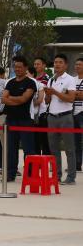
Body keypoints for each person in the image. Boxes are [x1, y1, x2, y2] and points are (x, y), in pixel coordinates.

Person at [1, 55, 37, 182]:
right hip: (10, 120)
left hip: (25, 120)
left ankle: (30, 175)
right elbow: (3, 99)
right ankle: (10, 174)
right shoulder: (10, 82)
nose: (17, 69)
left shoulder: (31, 82)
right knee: (10, 149)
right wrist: (16, 100)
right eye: (15, 67)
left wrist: (11, 99)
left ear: (26, 68)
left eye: (20, 67)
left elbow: (24, 99)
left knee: (28, 149)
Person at [44, 53, 77, 185]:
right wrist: (48, 95)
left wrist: (55, 92)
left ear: (66, 65)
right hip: (52, 117)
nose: (57, 64)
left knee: (69, 148)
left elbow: (71, 99)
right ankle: (57, 176)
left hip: (65, 116)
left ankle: (71, 177)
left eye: (60, 62)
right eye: (55, 62)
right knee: (54, 149)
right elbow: (47, 101)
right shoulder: (51, 79)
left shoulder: (70, 79)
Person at [31, 56, 51, 155]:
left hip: (43, 112)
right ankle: (37, 162)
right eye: (34, 64)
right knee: (35, 140)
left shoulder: (48, 79)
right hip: (33, 113)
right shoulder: (32, 79)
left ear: (44, 65)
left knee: (44, 139)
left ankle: (47, 162)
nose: (36, 66)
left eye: (38, 64)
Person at [73, 57, 83, 172]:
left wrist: (73, 94)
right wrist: (77, 94)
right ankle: (77, 164)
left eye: (79, 64)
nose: (77, 66)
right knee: (75, 140)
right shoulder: (72, 79)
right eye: (76, 64)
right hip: (73, 112)